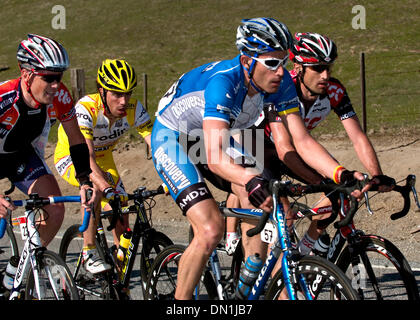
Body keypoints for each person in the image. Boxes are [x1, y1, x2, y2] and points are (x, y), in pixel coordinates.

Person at [151, 18, 368, 300]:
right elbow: (215, 156)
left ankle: (247, 281)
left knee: (272, 203)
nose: (280, 71)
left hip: (222, 133)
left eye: (283, 61)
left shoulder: (280, 85)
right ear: (247, 60)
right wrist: (247, 178)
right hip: (175, 137)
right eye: (271, 63)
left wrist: (339, 176)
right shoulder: (224, 83)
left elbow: (298, 142)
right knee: (210, 227)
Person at [225, 32, 395, 256]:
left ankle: (305, 252)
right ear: (298, 67)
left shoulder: (334, 91)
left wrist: (376, 174)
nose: (325, 75)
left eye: (328, 67)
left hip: (295, 148)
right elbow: (284, 148)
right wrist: (319, 181)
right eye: (317, 68)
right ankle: (232, 235)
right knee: (283, 213)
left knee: (337, 197)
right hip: (257, 146)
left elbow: (357, 137)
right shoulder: (282, 89)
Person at [54, 59, 153, 274]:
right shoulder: (85, 109)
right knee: (95, 189)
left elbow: (156, 144)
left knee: (122, 208)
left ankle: (119, 275)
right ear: (102, 91)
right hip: (73, 156)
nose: (123, 101)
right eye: (116, 94)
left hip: (105, 157)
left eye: (127, 93)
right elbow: (86, 156)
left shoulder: (134, 108)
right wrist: (104, 186)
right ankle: (89, 250)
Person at [0, 34, 94, 247]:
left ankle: (27, 264)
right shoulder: (3, 98)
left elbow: (76, 139)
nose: (55, 85)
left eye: (58, 77)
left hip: (20, 158)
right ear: (26, 74)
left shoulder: (60, 96)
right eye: (48, 78)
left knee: (55, 208)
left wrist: (85, 181)